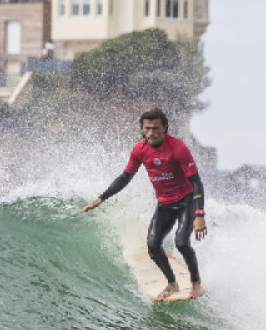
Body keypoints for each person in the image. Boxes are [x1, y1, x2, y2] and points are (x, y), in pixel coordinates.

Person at [82, 107, 208, 301]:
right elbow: (125, 177)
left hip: (186, 201)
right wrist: (102, 197)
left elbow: (196, 182)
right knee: (152, 245)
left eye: (156, 128)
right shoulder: (140, 150)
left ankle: (196, 283)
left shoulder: (178, 148)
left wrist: (199, 214)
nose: (151, 133)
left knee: (182, 242)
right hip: (165, 204)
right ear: (142, 129)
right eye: (147, 128)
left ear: (165, 127)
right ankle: (172, 283)